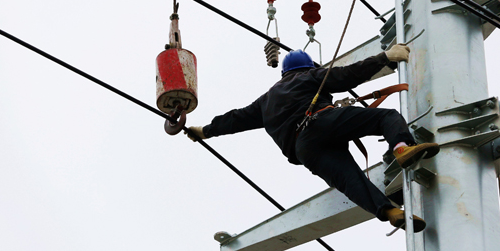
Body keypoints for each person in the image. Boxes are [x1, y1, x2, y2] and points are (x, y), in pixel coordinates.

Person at [186, 45, 439, 231]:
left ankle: (391, 211)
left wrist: (205, 131)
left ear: (284, 72)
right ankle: (402, 149)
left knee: (352, 181)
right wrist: (385, 58)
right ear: (309, 66)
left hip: (305, 150)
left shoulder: (264, 102)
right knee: (386, 117)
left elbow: (235, 119)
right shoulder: (309, 76)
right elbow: (347, 75)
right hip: (320, 122)